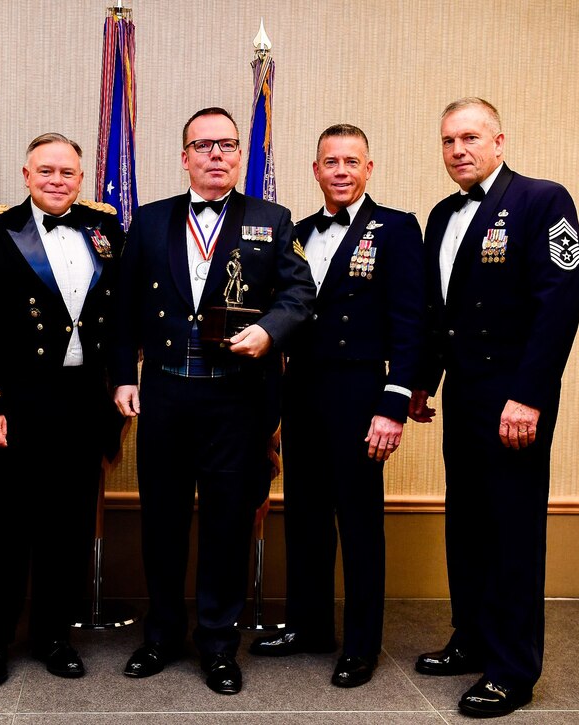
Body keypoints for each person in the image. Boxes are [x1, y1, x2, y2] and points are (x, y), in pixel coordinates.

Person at [111, 107, 315, 695]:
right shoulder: (148, 222)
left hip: (237, 399)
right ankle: (161, 635)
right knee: (163, 520)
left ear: (240, 156)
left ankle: (219, 643)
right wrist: (125, 377)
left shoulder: (271, 220)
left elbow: (301, 292)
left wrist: (271, 330)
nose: (216, 155)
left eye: (227, 145)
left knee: (226, 521)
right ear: (185, 157)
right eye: (203, 146)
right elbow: (124, 310)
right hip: (167, 393)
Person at [410, 97, 579, 717]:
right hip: (463, 394)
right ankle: (472, 638)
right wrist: (423, 382)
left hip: (516, 396)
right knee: (468, 523)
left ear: (500, 140)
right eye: (449, 140)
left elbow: (558, 306)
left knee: (512, 531)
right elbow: (438, 312)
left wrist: (530, 396)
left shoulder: (543, 201)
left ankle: (512, 669)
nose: (458, 150)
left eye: (470, 138)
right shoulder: (440, 215)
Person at [249, 124, 424, 688]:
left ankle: (361, 643)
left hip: (360, 393)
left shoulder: (395, 229)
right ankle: (308, 625)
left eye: (352, 160)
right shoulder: (294, 232)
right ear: (316, 170)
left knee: (359, 520)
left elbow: (409, 320)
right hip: (301, 390)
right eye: (331, 161)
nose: (342, 170)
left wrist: (393, 405)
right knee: (304, 515)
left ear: (369, 168)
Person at [0, 133, 124, 688]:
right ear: (25, 175)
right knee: (8, 529)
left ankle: (54, 636)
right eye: (46, 171)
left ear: (81, 178)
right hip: (18, 402)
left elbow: (121, 315)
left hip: (83, 401)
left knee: (70, 528)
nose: (57, 181)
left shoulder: (105, 230)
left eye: (68, 173)